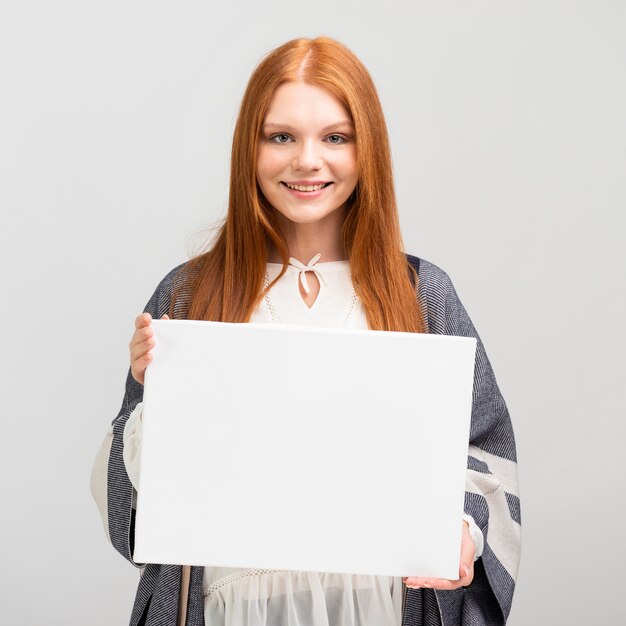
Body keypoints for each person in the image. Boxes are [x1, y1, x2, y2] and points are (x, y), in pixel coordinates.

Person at [91, 36, 521, 626]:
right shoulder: (189, 295)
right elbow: (135, 510)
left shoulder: (422, 293)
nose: (307, 160)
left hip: (381, 606)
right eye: (281, 136)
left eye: (335, 137)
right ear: (251, 147)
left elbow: (483, 446)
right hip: (230, 605)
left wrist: (464, 531)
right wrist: (154, 395)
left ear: (367, 149)